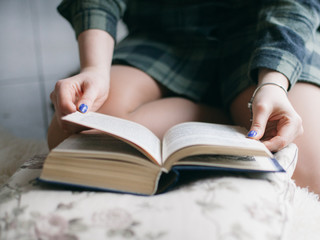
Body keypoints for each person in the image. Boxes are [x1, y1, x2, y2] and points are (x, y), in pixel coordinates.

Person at [48, 0, 320, 195]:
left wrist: (273, 82)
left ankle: (232, 111)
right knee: (74, 137)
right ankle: (233, 118)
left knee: (308, 170)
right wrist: (94, 69)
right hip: (165, 35)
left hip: (267, 34)